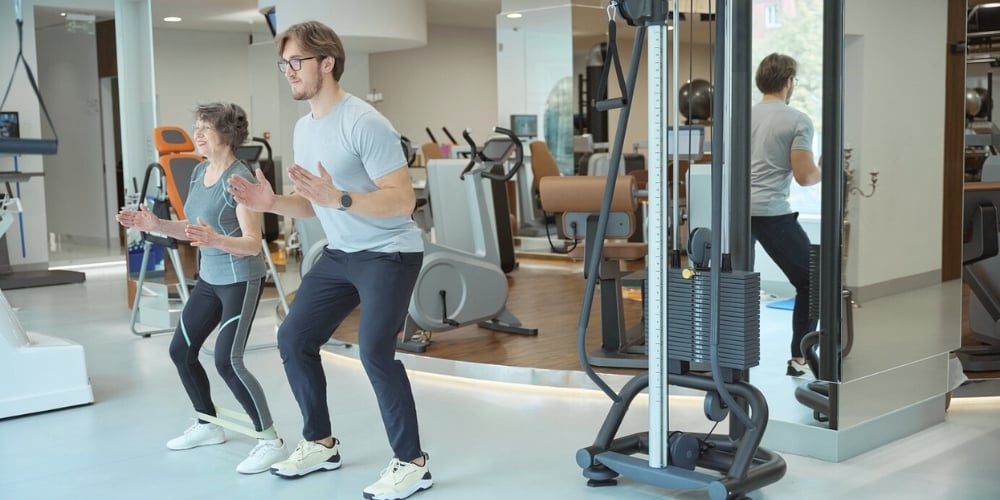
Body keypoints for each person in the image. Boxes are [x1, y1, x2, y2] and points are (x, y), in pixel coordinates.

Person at [227, 21, 431, 500]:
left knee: (375, 352)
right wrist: (271, 202)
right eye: (283, 64)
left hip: (389, 253)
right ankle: (320, 442)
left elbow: (402, 201)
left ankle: (412, 464)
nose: (288, 72)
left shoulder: (365, 122)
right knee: (294, 337)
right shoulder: (304, 127)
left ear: (327, 63)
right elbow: (312, 202)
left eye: (295, 62)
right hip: (343, 254)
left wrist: (339, 198)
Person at [116, 102, 287, 474]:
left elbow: (253, 243)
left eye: (204, 128)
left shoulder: (240, 181)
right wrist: (156, 223)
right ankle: (208, 424)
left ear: (225, 135)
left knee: (228, 361)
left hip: (241, 280)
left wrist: (217, 239)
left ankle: (270, 440)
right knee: (182, 350)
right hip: (210, 279)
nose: (196, 134)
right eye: (196, 126)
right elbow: (191, 228)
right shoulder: (198, 173)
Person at [749, 53, 822, 377]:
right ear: (789, 82)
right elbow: (805, 176)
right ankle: (800, 358)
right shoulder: (797, 120)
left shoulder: (741, 115)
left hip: (735, 213)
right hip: (769, 213)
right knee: (813, 280)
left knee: (736, 284)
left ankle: (728, 359)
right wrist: (827, 168)